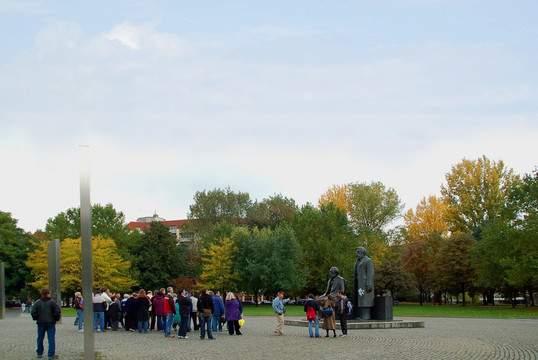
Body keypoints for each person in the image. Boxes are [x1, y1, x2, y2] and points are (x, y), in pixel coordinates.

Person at [31, 288, 61, 359]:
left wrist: (36, 318)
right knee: (51, 338)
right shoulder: (52, 302)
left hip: (41, 323)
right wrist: (55, 318)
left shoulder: (37, 303)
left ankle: (39, 352)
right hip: (50, 323)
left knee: (40, 338)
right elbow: (57, 311)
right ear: (47, 294)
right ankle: (51, 354)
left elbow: (33, 312)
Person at [354, 246, 375, 320]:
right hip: (358, 283)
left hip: (365, 283)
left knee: (365, 300)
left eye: (358, 252)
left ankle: (366, 316)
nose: (357, 254)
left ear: (363, 253)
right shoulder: (357, 262)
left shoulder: (368, 261)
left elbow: (370, 273)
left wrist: (369, 284)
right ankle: (361, 315)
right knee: (360, 300)